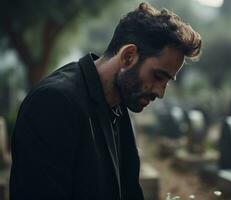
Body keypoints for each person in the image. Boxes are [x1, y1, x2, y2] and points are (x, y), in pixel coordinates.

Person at [9, 2, 202, 200]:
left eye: (167, 82)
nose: (160, 92)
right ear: (128, 56)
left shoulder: (119, 104)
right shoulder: (53, 103)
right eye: (158, 76)